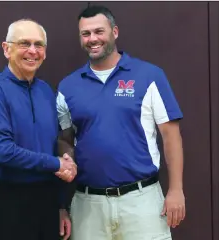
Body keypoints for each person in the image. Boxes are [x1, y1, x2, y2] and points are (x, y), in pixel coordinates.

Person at [57, 5, 185, 240]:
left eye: (99, 31)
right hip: (88, 204)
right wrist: (66, 162)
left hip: (142, 200)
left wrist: (176, 190)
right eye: (85, 34)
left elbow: (171, 135)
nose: (92, 39)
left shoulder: (149, 76)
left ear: (114, 32)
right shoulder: (67, 87)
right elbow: (65, 139)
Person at [0, 19, 76, 240]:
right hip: (7, 203)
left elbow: (54, 147)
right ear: (6, 49)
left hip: (46, 201)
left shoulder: (46, 92)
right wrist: (56, 164)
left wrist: (60, 205)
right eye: (24, 43)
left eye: (39, 45)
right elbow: (3, 151)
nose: (33, 51)